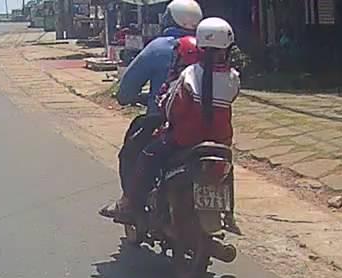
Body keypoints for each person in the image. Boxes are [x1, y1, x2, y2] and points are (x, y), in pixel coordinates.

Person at [116, 18, 239, 223]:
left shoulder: (188, 73)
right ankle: (230, 215)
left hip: (184, 139)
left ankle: (132, 204)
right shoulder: (233, 77)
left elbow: (172, 109)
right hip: (221, 140)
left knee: (148, 156)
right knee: (226, 168)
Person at [99, 0, 201, 220]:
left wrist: (126, 97)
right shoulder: (209, 48)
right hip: (206, 124)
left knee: (130, 153)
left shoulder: (159, 47)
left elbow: (126, 89)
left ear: (168, 19)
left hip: (164, 122)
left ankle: (129, 203)